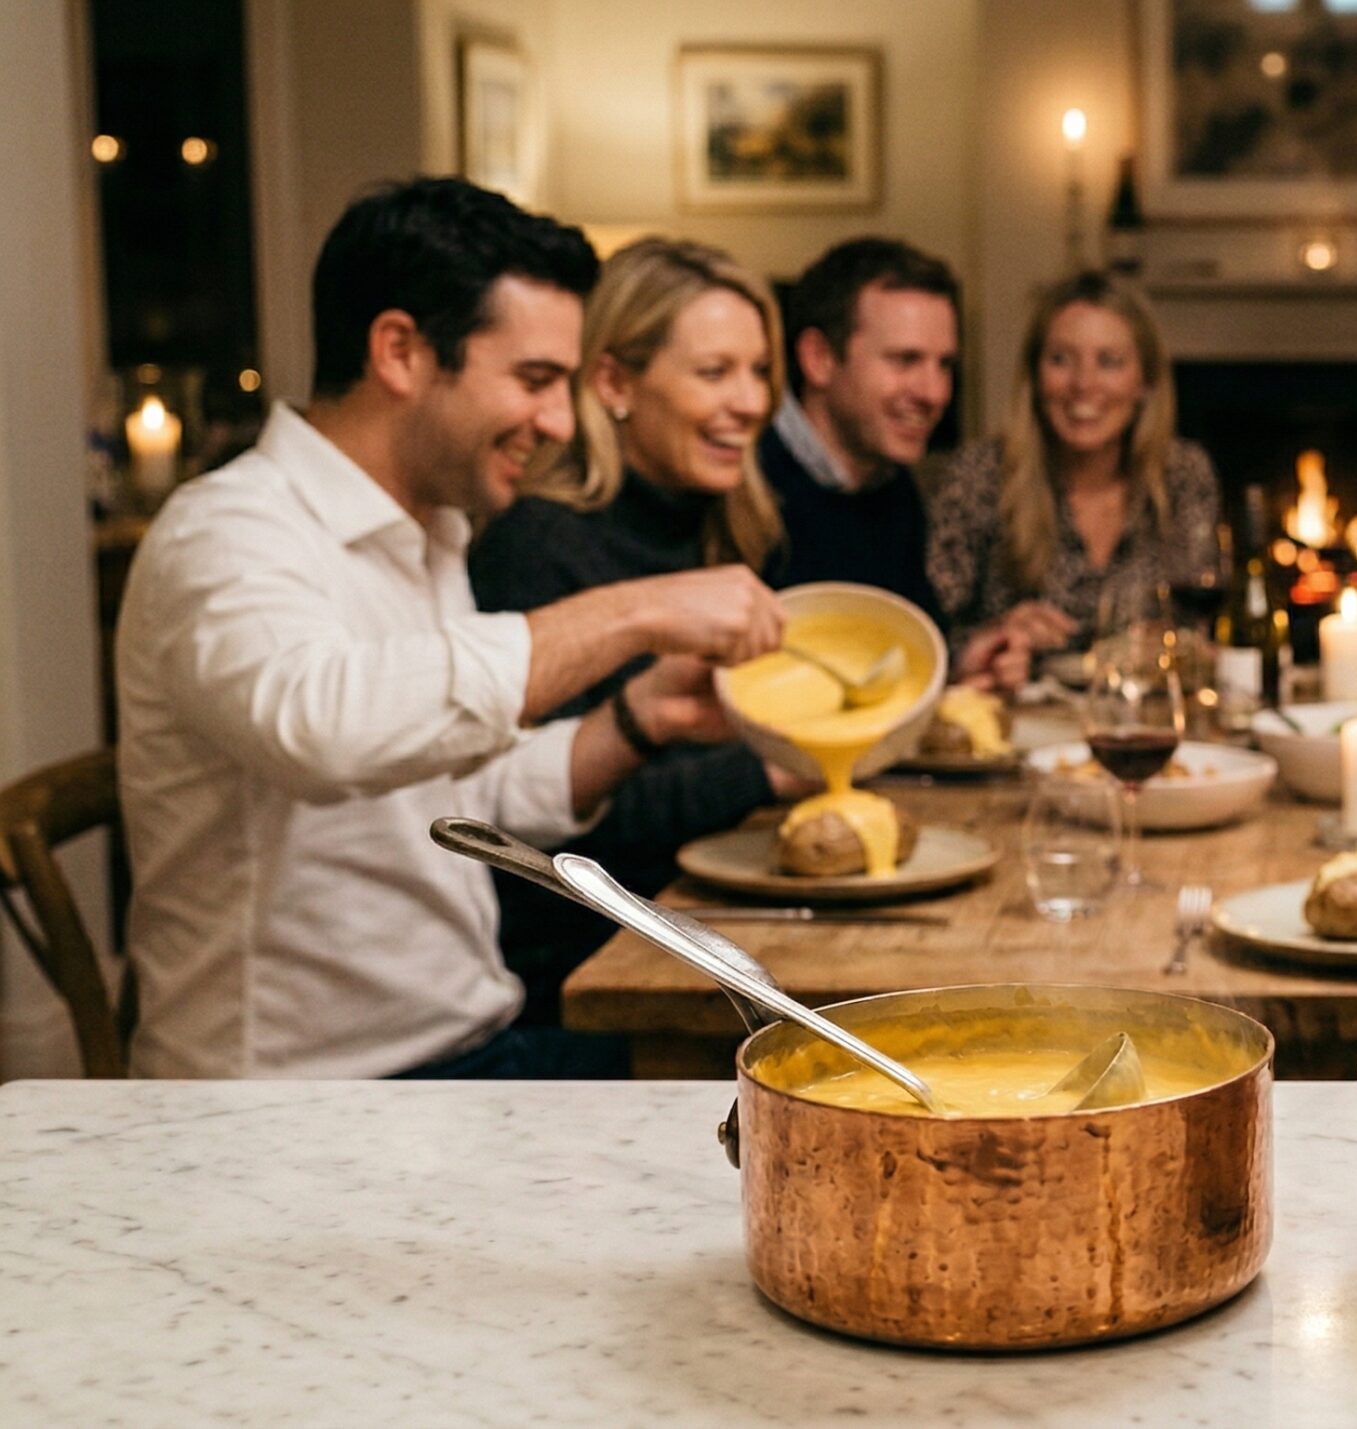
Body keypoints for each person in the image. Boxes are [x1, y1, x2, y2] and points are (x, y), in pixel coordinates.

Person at [116, 178, 787, 1079]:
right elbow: (322, 731)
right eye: (536, 380)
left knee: (799, 1084)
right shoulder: (227, 531)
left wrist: (635, 721)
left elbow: (471, 796)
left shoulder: (427, 535)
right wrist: (639, 608)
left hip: (464, 1050)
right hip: (303, 1100)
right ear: (399, 352)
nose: (557, 422)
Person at [470, 237, 809, 1025]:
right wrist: (763, 774)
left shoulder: (729, 524)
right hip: (580, 978)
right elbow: (541, 829)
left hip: (707, 931)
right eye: (715, 372)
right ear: (616, 381)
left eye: (760, 372)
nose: (752, 402)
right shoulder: (537, 545)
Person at [760, 235, 1028, 690]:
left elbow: (895, 662)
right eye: (905, 360)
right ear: (819, 359)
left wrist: (961, 667)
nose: (934, 393)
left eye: (944, 365)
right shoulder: (742, 480)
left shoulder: (890, 484)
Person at [925, 270, 1219, 654]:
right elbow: (925, 638)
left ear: (1145, 382)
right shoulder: (979, 475)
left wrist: (1181, 645)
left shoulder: (1183, 473)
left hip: (1144, 709)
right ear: (1034, 375)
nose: (1083, 384)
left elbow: (1198, 628)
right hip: (1016, 709)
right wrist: (997, 635)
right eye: (1061, 359)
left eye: (1109, 362)